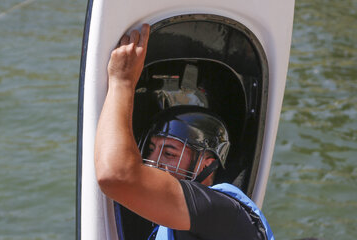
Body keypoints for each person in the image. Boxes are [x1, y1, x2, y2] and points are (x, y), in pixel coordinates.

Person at [94, 24, 274, 240]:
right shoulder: (172, 218)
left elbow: (115, 176)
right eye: (151, 149)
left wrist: (122, 82)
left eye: (169, 153)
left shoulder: (222, 212)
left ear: (207, 164)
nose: (154, 161)